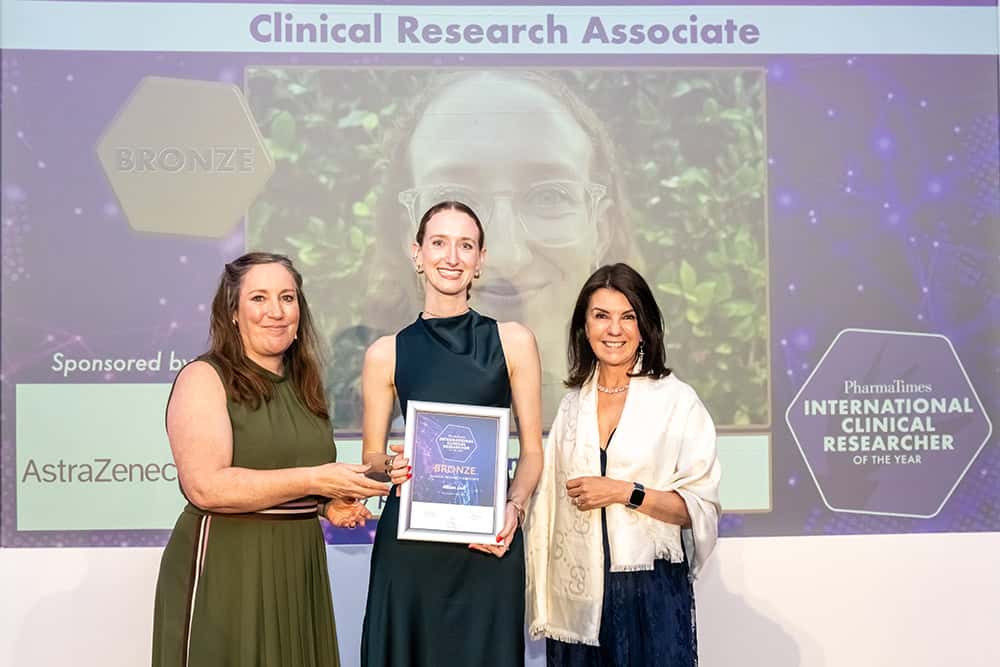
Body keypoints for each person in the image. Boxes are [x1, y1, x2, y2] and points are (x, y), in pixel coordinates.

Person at [330, 70, 639, 429]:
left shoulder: (663, 417)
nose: (507, 256)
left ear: (600, 229)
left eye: (550, 196)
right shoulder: (370, 416)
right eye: (453, 199)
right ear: (411, 239)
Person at [151, 252, 389, 667]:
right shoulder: (204, 377)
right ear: (232, 312)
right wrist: (315, 481)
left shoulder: (304, 385)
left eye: (287, 298)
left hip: (298, 567)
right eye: (259, 298)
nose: (276, 312)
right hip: (229, 568)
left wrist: (328, 504)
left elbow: (290, 472)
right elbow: (206, 487)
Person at [359, 201, 544, 667]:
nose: (452, 257)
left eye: (466, 245)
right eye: (439, 243)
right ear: (417, 253)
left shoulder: (514, 341)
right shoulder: (385, 353)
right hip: (411, 548)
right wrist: (390, 466)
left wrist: (515, 507)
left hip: (488, 543)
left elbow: (532, 453)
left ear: (480, 260)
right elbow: (371, 459)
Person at [525, 263, 722, 666]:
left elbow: (697, 508)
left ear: (644, 327)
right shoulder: (571, 407)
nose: (614, 329)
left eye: (627, 317)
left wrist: (623, 492)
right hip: (578, 598)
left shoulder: (677, 402)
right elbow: (546, 509)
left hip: (649, 592)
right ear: (584, 327)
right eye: (601, 316)